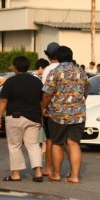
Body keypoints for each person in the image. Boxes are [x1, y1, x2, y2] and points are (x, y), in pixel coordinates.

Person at [42, 45, 90, 184]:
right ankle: (74, 176)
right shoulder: (81, 72)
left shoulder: (55, 72)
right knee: (74, 144)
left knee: (57, 143)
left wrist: (44, 108)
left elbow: (47, 94)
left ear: (57, 57)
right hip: (78, 113)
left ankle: (56, 174)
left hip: (58, 113)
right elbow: (85, 92)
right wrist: (78, 104)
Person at [0, 56, 44, 182]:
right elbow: (42, 101)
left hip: (15, 117)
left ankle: (15, 174)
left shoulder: (10, 81)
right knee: (33, 145)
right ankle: (38, 172)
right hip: (34, 117)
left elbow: (3, 100)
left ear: (15, 67)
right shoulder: (37, 81)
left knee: (14, 145)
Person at [41, 43, 61, 178]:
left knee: (50, 140)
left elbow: (46, 91)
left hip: (51, 108)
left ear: (48, 55)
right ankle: (71, 171)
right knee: (66, 142)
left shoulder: (47, 70)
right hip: (67, 109)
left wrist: (44, 107)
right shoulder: (67, 68)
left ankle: (49, 168)